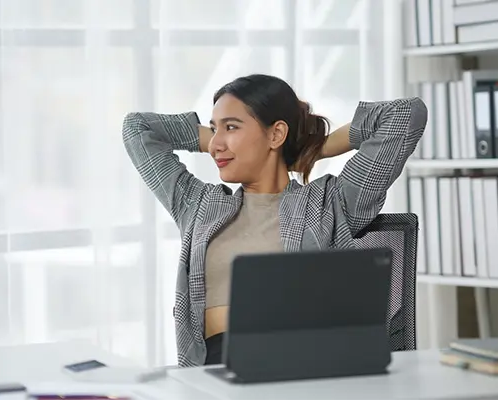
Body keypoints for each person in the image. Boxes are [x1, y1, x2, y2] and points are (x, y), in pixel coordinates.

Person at [122, 74, 427, 367]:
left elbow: (406, 114)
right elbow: (137, 129)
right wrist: (220, 141)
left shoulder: (331, 203)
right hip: (213, 374)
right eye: (215, 128)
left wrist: (317, 148)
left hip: (298, 369)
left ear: (276, 133)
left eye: (232, 127)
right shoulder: (199, 205)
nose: (216, 144)